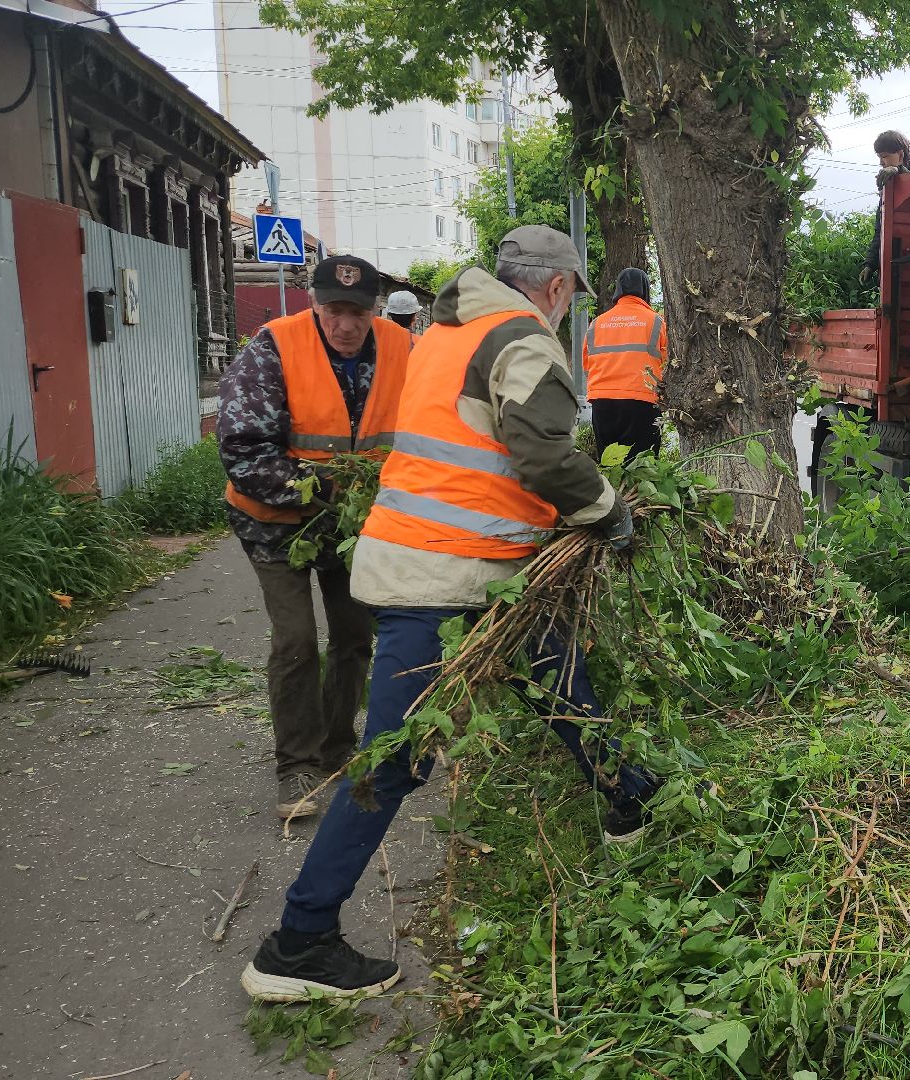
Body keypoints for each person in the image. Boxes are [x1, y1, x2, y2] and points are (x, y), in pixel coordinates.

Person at [240, 225, 657, 1004]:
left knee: (556, 671)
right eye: (572, 298)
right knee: (391, 762)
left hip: (470, 566)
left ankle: (625, 794)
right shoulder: (525, 340)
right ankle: (299, 941)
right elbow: (541, 455)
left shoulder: (448, 329)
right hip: (442, 573)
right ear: (559, 288)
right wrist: (609, 511)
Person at [218, 255, 411, 822]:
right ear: (314, 304)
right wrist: (321, 486)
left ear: (374, 310)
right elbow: (242, 450)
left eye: (358, 312)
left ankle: (337, 746)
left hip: (351, 524)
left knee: (354, 634)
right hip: (273, 520)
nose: (346, 324)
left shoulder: (404, 350)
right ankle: (296, 766)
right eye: (334, 311)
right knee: (297, 637)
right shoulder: (272, 348)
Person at [582, 267, 666, 459]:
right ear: (645, 290)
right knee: (643, 465)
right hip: (642, 401)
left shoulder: (597, 323)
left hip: (602, 402)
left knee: (611, 463)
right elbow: (668, 362)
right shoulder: (656, 322)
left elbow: (587, 364)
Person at [861, 130, 910, 288]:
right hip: (893, 269)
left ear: (900, 155)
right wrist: (869, 264)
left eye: (884, 156)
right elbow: (880, 230)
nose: (881, 162)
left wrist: (899, 171)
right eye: (879, 157)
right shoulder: (887, 190)